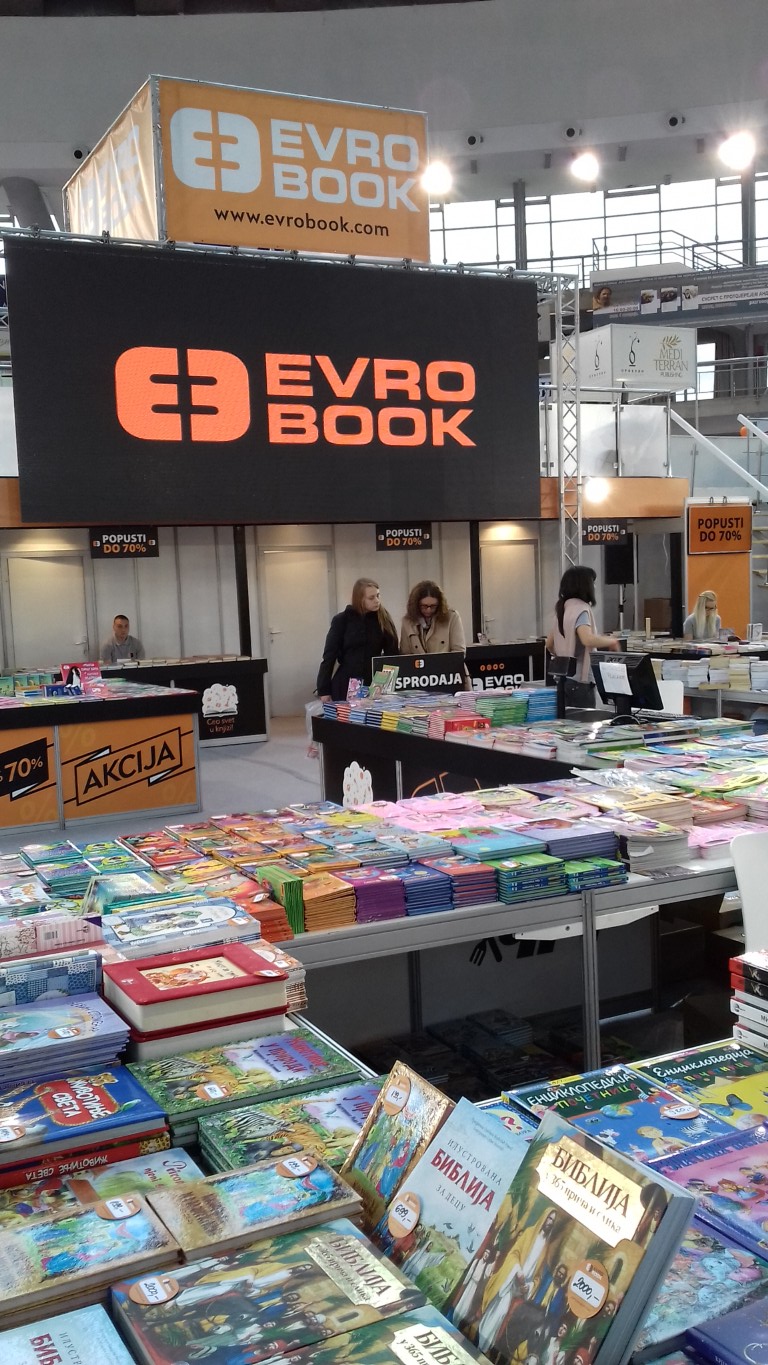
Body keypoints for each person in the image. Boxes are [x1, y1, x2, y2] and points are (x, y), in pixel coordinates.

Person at [545, 565, 619, 706]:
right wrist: (611, 641)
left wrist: (563, 655)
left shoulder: (562, 608)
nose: (595, 586)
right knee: (584, 718)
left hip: (563, 679)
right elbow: (587, 639)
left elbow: (549, 644)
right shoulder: (581, 610)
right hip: (580, 680)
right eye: (593, 582)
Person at [316, 578, 398, 701]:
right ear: (360, 599)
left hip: (375, 683)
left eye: (378, 595)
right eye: (371, 598)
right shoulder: (341, 620)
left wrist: (384, 685)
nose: (377, 601)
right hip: (346, 682)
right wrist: (324, 690)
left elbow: (392, 655)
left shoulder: (383, 619)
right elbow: (329, 656)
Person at [399, 580, 467, 655]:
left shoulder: (452, 617)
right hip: (419, 662)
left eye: (433, 606)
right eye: (424, 606)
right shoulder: (407, 622)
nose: (429, 610)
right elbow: (405, 654)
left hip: (447, 662)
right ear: (416, 605)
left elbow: (459, 651)